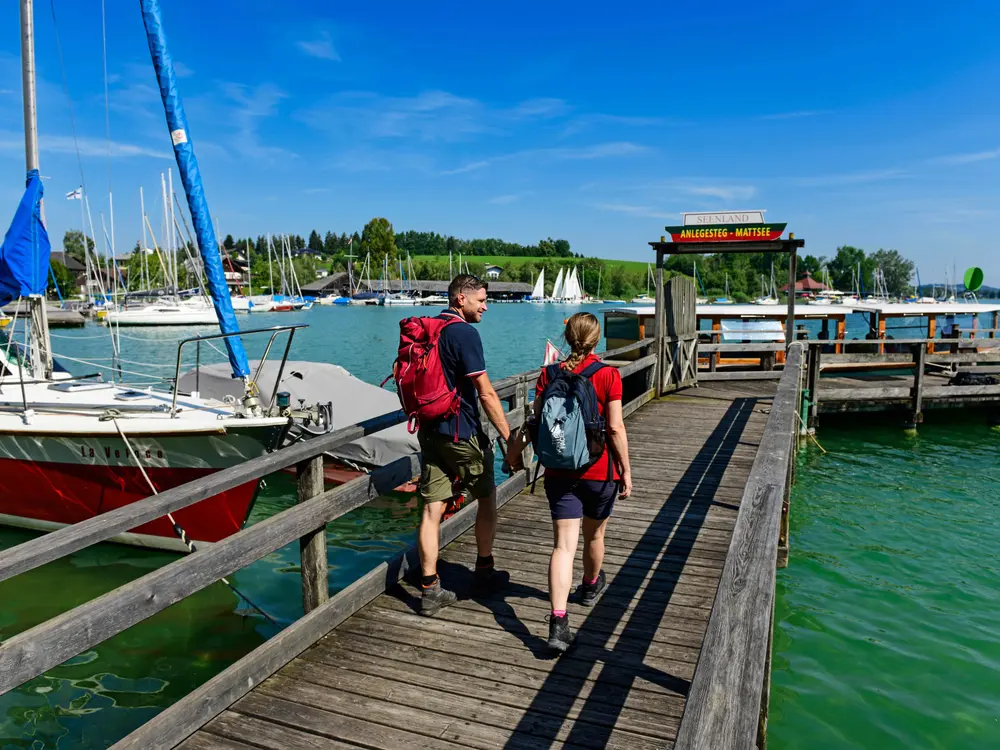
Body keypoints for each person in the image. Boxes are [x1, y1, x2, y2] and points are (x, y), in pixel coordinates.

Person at [531, 312, 632, 652]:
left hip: (559, 472)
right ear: (596, 340)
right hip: (599, 472)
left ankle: (558, 623)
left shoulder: (548, 374)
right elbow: (615, 428)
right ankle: (589, 585)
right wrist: (626, 469)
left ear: (568, 338)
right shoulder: (607, 374)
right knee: (595, 535)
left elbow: (537, 420)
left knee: (563, 547)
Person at [416, 274, 512, 616]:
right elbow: (485, 392)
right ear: (461, 298)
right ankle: (484, 570)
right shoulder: (464, 333)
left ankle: (429, 590)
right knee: (486, 497)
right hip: (460, 432)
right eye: (481, 300)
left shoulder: (431, 328)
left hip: (430, 431)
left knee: (431, 511)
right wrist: (509, 436)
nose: (485, 307)